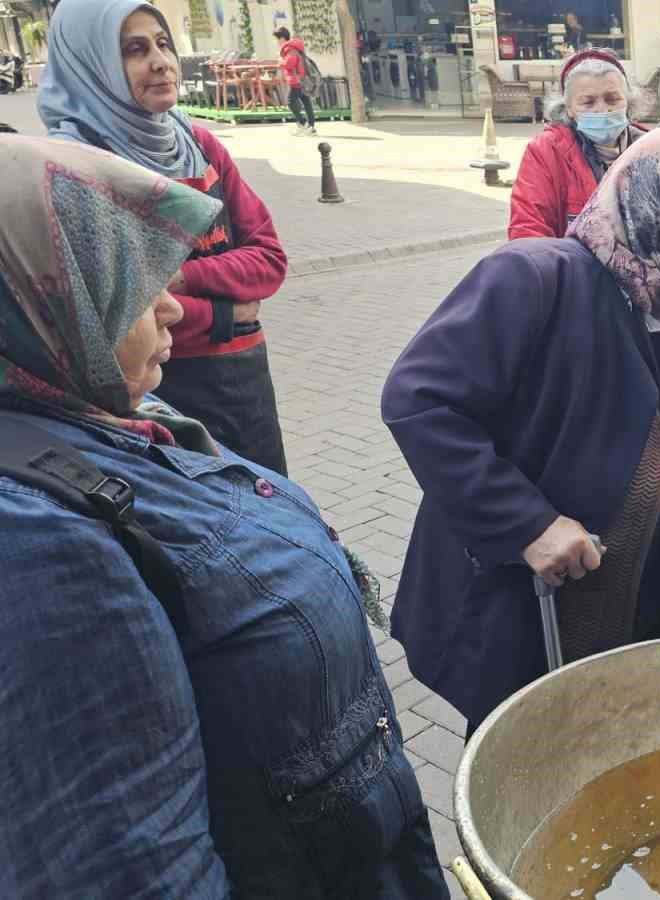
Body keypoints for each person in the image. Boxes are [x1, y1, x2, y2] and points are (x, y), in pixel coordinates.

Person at [0, 134, 448, 899]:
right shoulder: (35, 548)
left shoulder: (108, 411)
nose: (176, 304)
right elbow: (137, 870)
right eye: (134, 283)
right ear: (45, 304)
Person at [381, 128, 660, 734]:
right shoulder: (534, 276)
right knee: (525, 763)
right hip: (526, 606)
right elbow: (418, 399)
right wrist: (528, 522)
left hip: (617, 606)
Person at [39, 0, 290, 475]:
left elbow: (270, 259)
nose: (161, 61)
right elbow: (111, 319)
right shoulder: (79, 169)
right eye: (135, 49)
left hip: (244, 374)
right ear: (91, 65)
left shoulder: (196, 144)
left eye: (163, 43)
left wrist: (175, 275)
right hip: (158, 388)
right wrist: (224, 313)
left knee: (271, 498)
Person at [507, 49, 647, 239]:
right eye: (588, 103)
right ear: (569, 109)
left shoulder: (652, 146)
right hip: (574, 265)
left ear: (628, 102)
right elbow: (528, 229)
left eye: (612, 99)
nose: (602, 109)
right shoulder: (546, 150)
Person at [273, 27, 316, 136]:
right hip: (302, 79)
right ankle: (310, 127)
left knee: (291, 102)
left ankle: (303, 123)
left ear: (282, 38)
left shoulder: (290, 49)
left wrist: (280, 61)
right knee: (306, 102)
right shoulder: (295, 47)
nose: (276, 42)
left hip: (296, 80)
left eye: (277, 39)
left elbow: (289, 64)